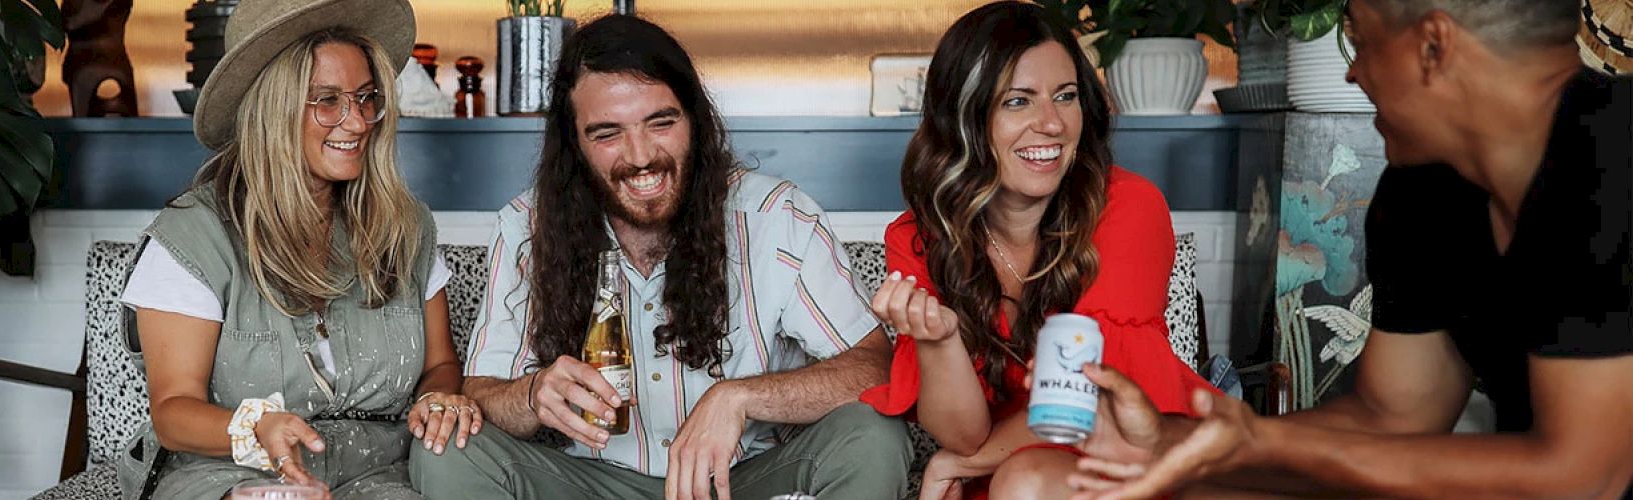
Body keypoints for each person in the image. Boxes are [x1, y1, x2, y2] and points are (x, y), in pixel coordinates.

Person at [1070, 0, 1633, 498]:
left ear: (1433, 46)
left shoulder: (1610, 152)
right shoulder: (1427, 187)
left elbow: (1584, 476)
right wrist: (1172, 442)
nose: (1351, 70)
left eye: (1360, 41)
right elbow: (1392, 418)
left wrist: (1254, 444)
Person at [408, 14, 911, 500]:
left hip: (744, 482)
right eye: (607, 133)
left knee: (872, 432)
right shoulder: (525, 227)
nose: (642, 154)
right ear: (574, 145)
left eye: (660, 123)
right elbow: (479, 391)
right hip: (586, 484)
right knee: (446, 450)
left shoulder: (776, 215)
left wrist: (739, 397)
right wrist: (533, 393)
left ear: (694, 119)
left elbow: (874, 370)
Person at [112, 0, 482, 497]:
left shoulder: (406, 227)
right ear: (273, 106)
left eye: (366, 97)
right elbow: (174, 411)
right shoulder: (194, 237)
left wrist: (438, 399)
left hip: (380, 474)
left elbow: (441, 365)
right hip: (230, 474)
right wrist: (255, 428)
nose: (356, 123)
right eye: (328, 100)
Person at [855, 3, 1221, 499]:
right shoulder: (920, 238)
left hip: (1144, 455)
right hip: (1015, 467)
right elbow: (963, 434)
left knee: (1022, 482)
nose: (1051, 124)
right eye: (1018, 101)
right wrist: (940, 342)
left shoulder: (1128, 206)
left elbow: (1088, 397)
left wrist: (964, 462)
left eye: (1065, 97)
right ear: (965, 116)